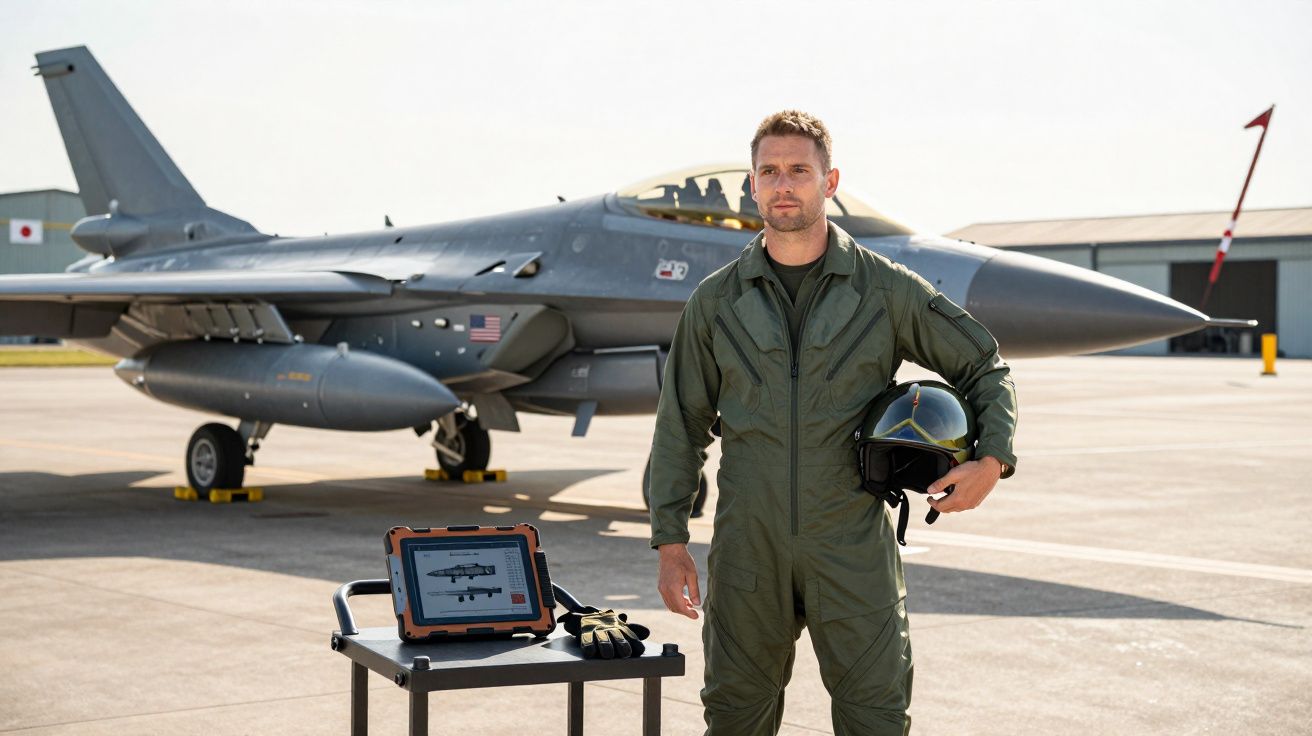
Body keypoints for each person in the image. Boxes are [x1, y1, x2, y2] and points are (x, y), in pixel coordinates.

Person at [648, 110, 1018, 735]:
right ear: (752, 186)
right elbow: (680, 421)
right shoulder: (716, 301)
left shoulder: (885, 289)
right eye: (770, 172)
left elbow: (984, 363)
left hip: (852, 547)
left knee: (876, 719)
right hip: (748, 551)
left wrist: (993, 458)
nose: (783, 184)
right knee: (735, 719)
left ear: (830, 181)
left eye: (799, 170)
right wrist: (670, 540)